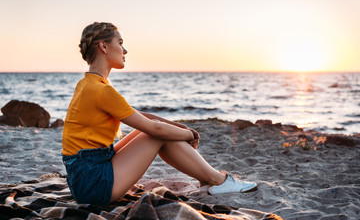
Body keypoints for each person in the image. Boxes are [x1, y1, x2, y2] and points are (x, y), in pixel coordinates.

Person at [62, 22, 257, 205]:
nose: (125, 50)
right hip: (93, 184)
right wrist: (190, 135)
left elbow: (143, 117)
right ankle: (219, 180)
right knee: (155, 134)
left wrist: (180, 128)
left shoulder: (88, 84)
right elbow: (154, 128)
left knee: (151, 131)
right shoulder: (102, 90)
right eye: (120, 43)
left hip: (86, 173)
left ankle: (207, 179)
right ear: (103, 47)